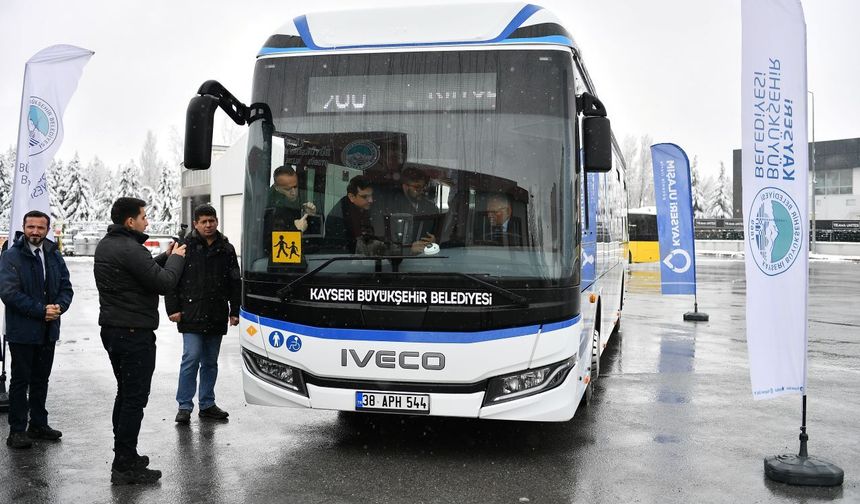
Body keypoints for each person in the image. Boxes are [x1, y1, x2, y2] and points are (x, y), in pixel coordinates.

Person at [94, 197, 186, 485]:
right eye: (143, 216)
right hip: (133, 332)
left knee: (125, 394)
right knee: (134, 398)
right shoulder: (129, 248)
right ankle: (123, 465)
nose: (147, 221)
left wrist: (164, 257)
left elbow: (142, 274)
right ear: (130, 221)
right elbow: (163, 282)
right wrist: (178, 259)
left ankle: (126, 453)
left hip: (115, 329)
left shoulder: (110, 244)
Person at [0, 211, 73, 450]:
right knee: (21, 381)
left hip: (48, 330)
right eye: (30, 227)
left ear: (47, 229)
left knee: (41, 379)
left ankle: (39, 424)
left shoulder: (53, 254)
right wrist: (41, 310)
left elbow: (66, 286)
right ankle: (17, 430)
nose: (35, 231)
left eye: (40, 227)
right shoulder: (11, 257)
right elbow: (9, 294)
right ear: (23, 227)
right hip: (23, 331)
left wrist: (59, 307)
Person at [166, 204, 240, 425]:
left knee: (210, 362)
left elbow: (235, 282)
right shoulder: (184, 247)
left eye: (212, 221)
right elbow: (171, 279)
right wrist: (173, 309)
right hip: (190, 313)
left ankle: (207, 404)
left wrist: (234, 310)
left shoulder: (227, 248)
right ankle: (184, 406)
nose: (209, 225)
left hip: (216, 313)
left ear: (217, 221)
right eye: (204, 221)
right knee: (190, 359)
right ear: (196, 223)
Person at [381, 167, 438, 254]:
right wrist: (408, 249)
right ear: (405, 186)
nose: (421, 191)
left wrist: (434, 239)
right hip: (400, 261)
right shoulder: (392, 207)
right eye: (417, 187)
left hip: (426, 257)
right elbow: (386, 240)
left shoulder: (431, 207)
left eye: (423, 187)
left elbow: (437, 231)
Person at [324, 175, 380, 254]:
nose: (371, 200)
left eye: (371, 195)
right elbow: (336, 251)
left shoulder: (365, 208)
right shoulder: (338, 217)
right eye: (365, 196)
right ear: (351, 197)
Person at [266, 165, 317, 232]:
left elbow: (315, 234)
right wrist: (296, 230)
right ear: (276, 188)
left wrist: (311, 216)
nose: (293, 193)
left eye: (295, 187)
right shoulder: (269, 207)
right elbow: (272, 240)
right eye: (288, 189)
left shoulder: (302, 197)